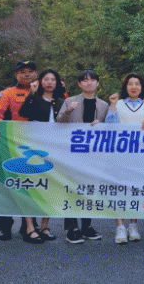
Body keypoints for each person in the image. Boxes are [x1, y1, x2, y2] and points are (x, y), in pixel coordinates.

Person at [56, 69, 109, 243]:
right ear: (79, 84)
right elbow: (58, 123)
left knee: (90, 189)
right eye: (85, 80)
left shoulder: (103, 105)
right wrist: (68, 111)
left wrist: (101, 124)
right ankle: (71, 228)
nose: (89, 83)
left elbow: (110, 128)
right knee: (71, 189)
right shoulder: (69, 101)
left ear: (97, 83)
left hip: (94, 154)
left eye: (92, 80)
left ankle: (86, 226)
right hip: (73, 152)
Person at [0, 60, 38, 240]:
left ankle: (29, 225)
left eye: (30, 71)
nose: (27, 74)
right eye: (22, 71)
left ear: (36, 73)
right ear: (17, 74)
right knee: (7, 184)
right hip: (10, 144)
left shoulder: (44, 91)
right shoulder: (8, 93)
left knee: (32, 185)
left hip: (34, 146)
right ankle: (4, 226)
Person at [18, 68, 67, 244]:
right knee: (31, 186)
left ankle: (44, 226)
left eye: (53, 79)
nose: (49, 82)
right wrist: (31, 94)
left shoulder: (61, 101)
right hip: (35, 149)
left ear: (58, 82)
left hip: (55, 150)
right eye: (46, 79)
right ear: (40, 82)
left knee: (50, 187)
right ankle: (30, 227)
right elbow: (23, 112)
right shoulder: (34, 98)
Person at [105, 73, 144, 244]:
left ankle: (133, 224)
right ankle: (120, 226)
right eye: (130, 84)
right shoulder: (117, 104)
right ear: (125, 87)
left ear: (142, 87)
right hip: (119, 153)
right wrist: (112, 105)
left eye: (137, 84)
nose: (134, 87)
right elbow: (109, 125)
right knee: (118, 189)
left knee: (136, 189)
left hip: (140, 155)